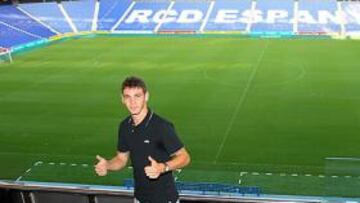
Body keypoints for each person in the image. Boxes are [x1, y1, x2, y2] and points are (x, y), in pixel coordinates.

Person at [95, 76, 191, 203]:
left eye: (137, 96)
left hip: (165, 199)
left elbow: (185, 157)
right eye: (128, 97)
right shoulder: (125, 126)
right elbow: (121, 159)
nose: (132, 102)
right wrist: (107, 165)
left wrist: (163, 167)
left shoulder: (161, 126)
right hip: (139, 198)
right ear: (122, 99)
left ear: (146, 96)